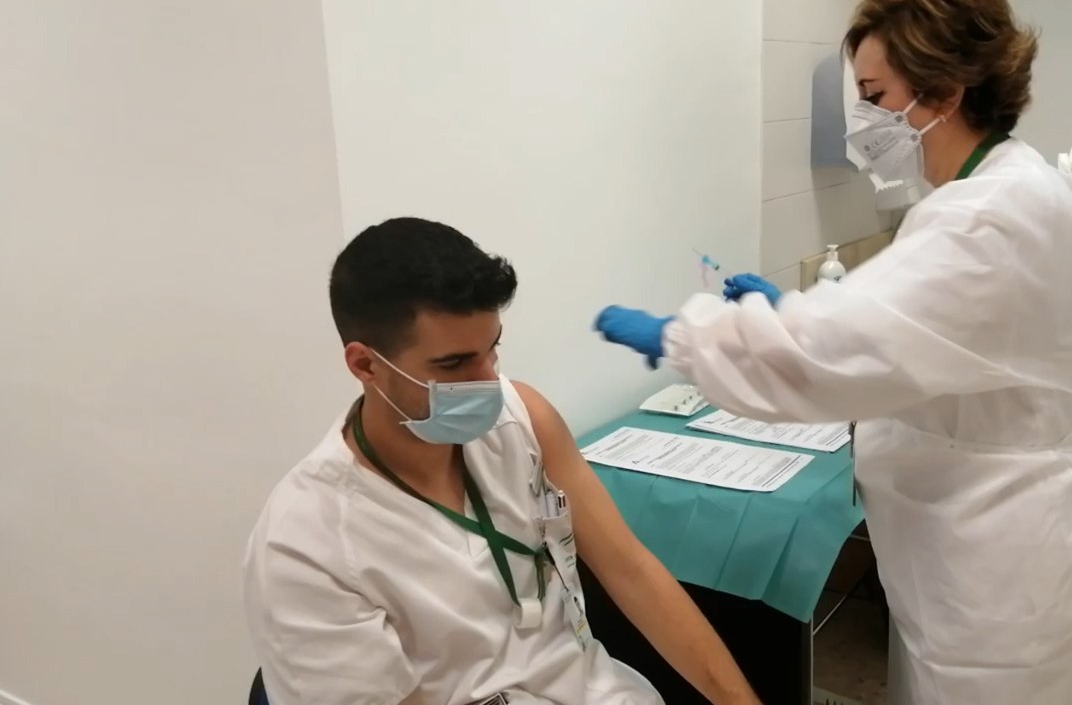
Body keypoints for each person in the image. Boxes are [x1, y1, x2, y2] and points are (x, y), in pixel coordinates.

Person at [592, 0, 1072, 703]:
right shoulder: (1011, 184)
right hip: (991, 525)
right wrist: (800, 312)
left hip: (992, 551)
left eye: (874, 94)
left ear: (941, 89)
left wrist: (684, 336)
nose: (864, 120)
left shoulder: (984, 217)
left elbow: (826, 355)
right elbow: (925, 332)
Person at [243, 217, 759, 705]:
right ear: (365, 364)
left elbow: (632, 571)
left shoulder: (523, 419)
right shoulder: (305, 543)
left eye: (491, 350)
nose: (489, 382)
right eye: (454, 364)